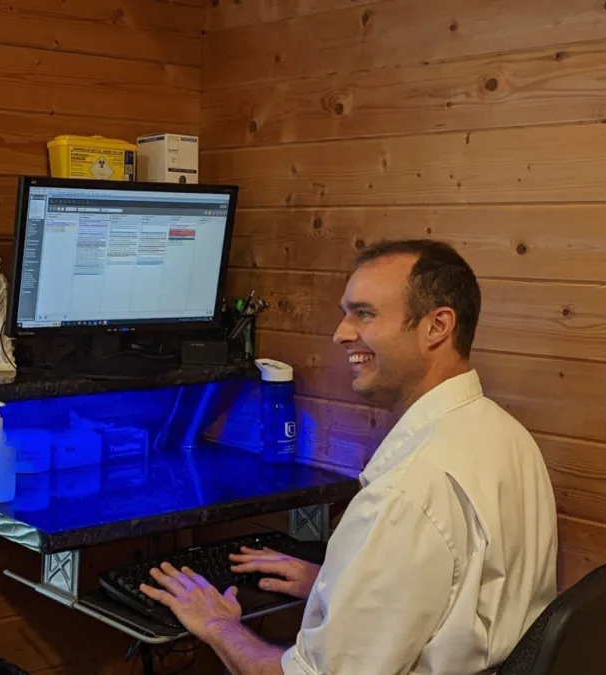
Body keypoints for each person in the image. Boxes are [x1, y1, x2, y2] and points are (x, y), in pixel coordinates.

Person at [139, 239, 559, 674]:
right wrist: (334, 584)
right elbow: (456, 593)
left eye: (364, 314)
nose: (340, 333)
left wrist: (215, 625)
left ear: (437, 326)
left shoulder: (407, 493)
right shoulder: (505, 435)